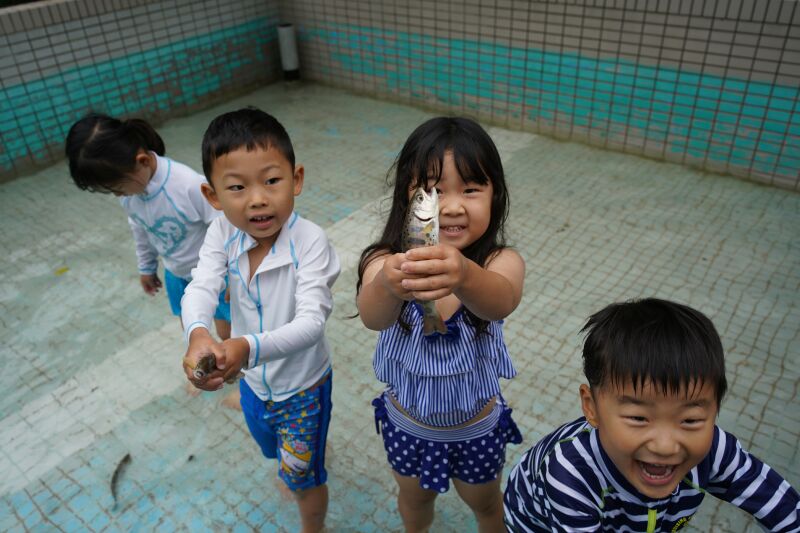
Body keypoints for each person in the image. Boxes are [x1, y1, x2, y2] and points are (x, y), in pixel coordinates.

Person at [356, 116, 526, 533]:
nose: (451, 206)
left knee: (487, 502)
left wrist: (465, 274)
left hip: (476, 427)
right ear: (406, 197)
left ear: (496, 195)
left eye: (471, 189)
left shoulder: (499, 262)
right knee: (414, 500)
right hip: (408, 425)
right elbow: (372, 318)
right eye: (432, 191)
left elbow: (500, 302)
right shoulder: (385, 261)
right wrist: (388, 285)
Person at [504, 298, 800, 532]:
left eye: (690, 420)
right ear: (591, 407)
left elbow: (781, 507)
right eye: (638, 418)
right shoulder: (570, 473)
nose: (665, 445)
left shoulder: (714, 450)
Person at [181, 107, 340, 533]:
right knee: (275, 453)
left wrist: (245, 347)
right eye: (237, 187)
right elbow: (201, 286)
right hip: (253, 385)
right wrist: (198, 333)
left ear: (296, 179)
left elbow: (312, 323)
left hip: (302, 389)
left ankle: (313, 526)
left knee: (306, 480)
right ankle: (296, 463)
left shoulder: (310, 242)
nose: (257, 199)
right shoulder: (222, 232)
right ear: (213, 196)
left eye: (272, 181)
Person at [65, 113, 231, 342]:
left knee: (227, 333)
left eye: (118, 187)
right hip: (176, 273)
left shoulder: (188, 185)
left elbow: (225, 226)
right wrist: (146, 267)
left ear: (142, 161)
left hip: (214, 275)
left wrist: (235, 272)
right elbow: (141, 229)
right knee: (192, 332)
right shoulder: (130, 196)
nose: (118, 195)